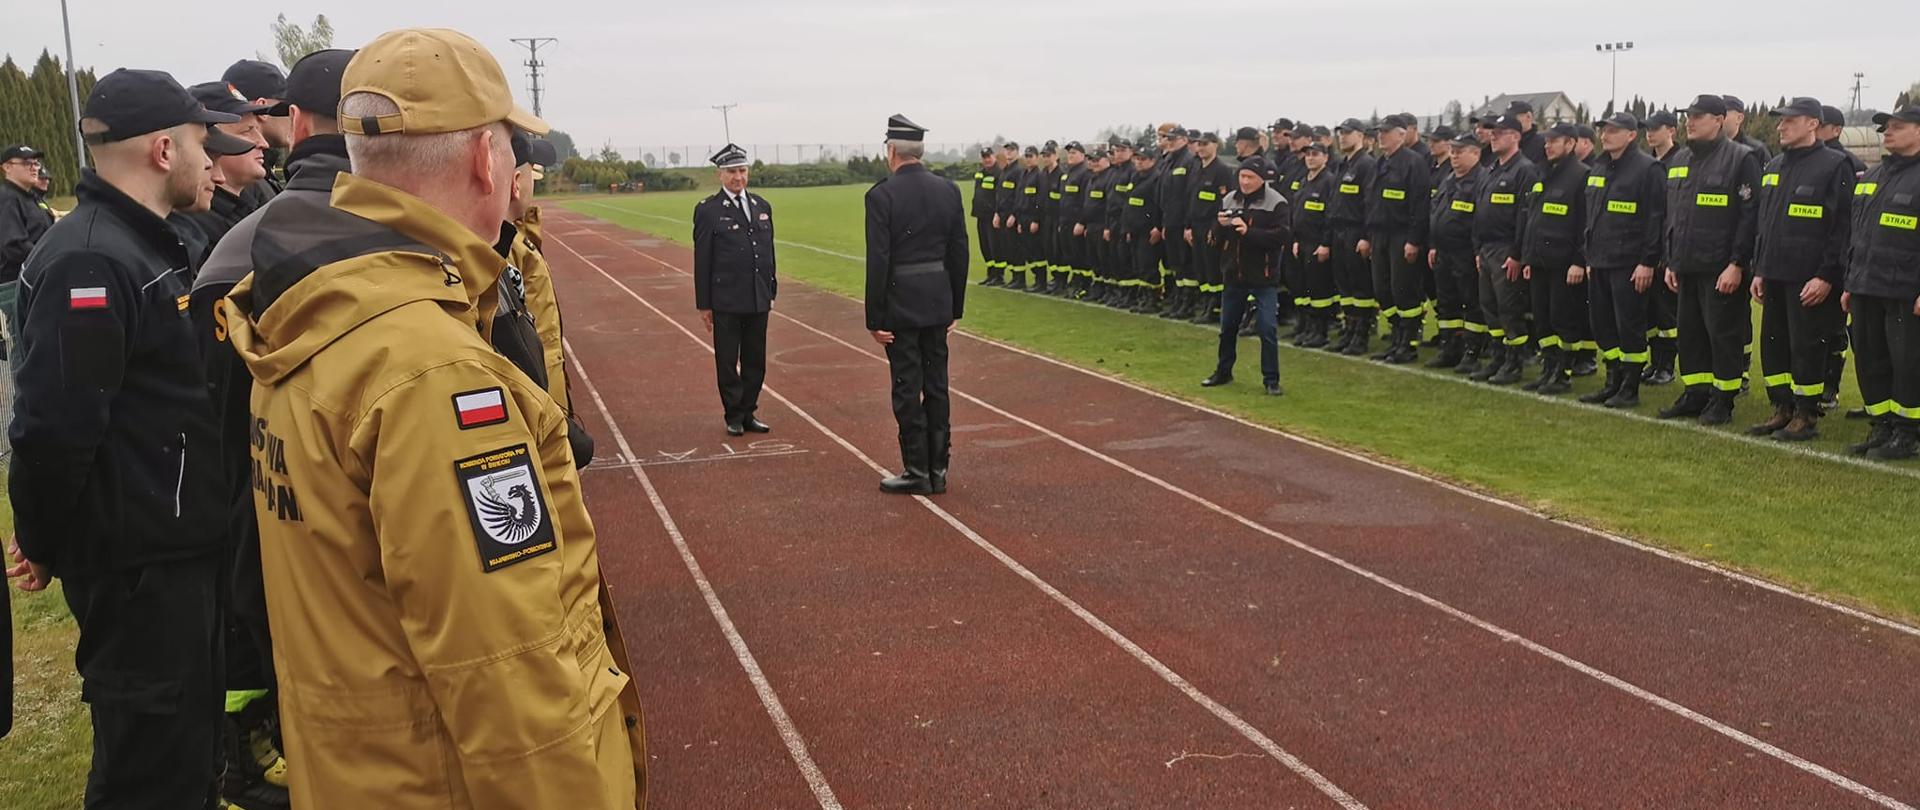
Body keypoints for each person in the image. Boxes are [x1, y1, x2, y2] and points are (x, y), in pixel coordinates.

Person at [221, 29, 645, 806]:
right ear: (485, 159)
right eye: (513, 148)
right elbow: (508, 675)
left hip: (359, 772)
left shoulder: (314, 306)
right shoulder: (434, 376)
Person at [7, 67, 237, 809]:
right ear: (165, 150)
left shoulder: (143, 244)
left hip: (173, 556)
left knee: (186, 761)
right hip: (141, 569)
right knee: (149, 774)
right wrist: (42, 541)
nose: (211, 160)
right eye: (203, 143)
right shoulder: (92, 260)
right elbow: (53, 429)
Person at [192, 48, 352, 810]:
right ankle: (248, 753)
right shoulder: (352, 234)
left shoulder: (246, 236)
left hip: (254, 494)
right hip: (283, 505)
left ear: (294, 121)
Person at [864, 114, 970, 495]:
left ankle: (916, 469)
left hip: (900, 305)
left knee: (908, 387)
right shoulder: (949, 190)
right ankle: (939, 469)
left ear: (891, 151)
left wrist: (873, 318)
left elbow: (879, 259)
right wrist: (954, 307)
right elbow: (960, 252)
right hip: (937, 302)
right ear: (919, 151)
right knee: (937, 384)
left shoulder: (881, 195)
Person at [1746, 97, 1854, 441]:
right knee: (1774, 345)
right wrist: (1760, 269)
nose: (1780, 127)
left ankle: (1806, 414)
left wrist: (1826, 276)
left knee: (1806, 346)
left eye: (1789, 121)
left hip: (1809, 278)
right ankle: (1782, 408)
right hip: (1775, 273)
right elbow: (1765, 223)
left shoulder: (1834, 165)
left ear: (1812, 124)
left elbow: (1842, 227)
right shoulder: (1774, 166)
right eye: (1780, 122)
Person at [1660, 94, 1765, 425]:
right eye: (1688, 115)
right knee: (1689, 335)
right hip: (1686, 265)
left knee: (1722, 335)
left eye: (1699, 116)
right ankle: (1696, 394)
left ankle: (1723, 400)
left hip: (1721, 268)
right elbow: (1673, 215)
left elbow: (1749, 217)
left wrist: (1737, 264)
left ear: (1720, 120)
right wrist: (1672, 261)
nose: (1690, 121)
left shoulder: (1740, 159)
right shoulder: (1679, 161)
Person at [1843, 104, 1920, 459]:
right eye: (1885, 127)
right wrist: (1849, 282)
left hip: (1905, 288)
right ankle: (1882, 426)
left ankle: (1908, 433)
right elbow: (1858, 233)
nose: (1887, 133)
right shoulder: (1873, 177)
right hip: (1865, 285)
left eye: (1898, 126)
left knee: (1907, 363)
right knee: (1871, 360)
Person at [1580, 112, 1667, 409]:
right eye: (1604, 130)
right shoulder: (1598, 167)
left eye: (1614, 131)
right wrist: (1588, 255)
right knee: (1603, 325)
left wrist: (1647, 261)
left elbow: (1656, 219)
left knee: (1629, 326)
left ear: (1632, 135)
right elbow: (1590, 215)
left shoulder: (1648, 168)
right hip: (1599, 260)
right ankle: (1612, 382)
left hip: (1629, 263)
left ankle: (1630, 386)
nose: (1605, 135)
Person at [694, 143, 777, 436]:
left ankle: (749, 412)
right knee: (728, 362)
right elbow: (702, 259)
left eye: (742, 170)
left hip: (757, 297)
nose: (738, 177)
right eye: (731, 171)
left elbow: (769, 253)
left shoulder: (761, 206)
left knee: (756, 361)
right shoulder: (708, 210)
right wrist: (704, 304)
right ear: (720, 174)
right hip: (726, 300)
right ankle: (733, 414)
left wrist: (771, 289)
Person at [1201, 156, 1290, 396]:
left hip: (1263, 276)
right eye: (1242, 176)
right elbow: (1214, 241)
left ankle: (1271, 380)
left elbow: (1281, 238)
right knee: (1227, 327)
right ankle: (1223, 371)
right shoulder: (1229, 199)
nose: (1245, 181)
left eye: (1250, 177)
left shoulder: (1277, 203)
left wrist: (1249, 232)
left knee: (1267, 328)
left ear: (1262, 179)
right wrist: (1219, 226)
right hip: (1233, 275)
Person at [1516, 122, 1590, 391]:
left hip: (1563, 264)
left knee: (1564, 319)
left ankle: (1563, 372)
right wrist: (1527, 258)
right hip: (1538, 261)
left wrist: (1579, 261)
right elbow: (1532, 219)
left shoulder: (1581, 175)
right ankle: (1549, 367)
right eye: (1546, 141)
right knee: (1542, 318)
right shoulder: (1541, 173)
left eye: (1554, 141)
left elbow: (1585, 224)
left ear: (1570, 143)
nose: (1547, 145)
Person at [1362, 114, 1432, 363]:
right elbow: (1370, 202)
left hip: (1402, 235)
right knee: (1383, 290)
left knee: (1403, 290)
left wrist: (1414, 240)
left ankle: (1408, 343)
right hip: (1379, 235)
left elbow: (1420, 205)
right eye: (1380, 131)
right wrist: (1367, 236)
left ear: (1402, 135)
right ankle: (1396, 336)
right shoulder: (1380, 163)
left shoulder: (1414, 163)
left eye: (1387, 131)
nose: (1381, 135)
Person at [1427, 132, 1486, 369]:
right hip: (1443, 251)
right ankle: (1450, 348)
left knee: (1471, 302)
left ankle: (1473, 351)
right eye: (1452, 151)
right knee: (1447, 302)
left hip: (1465, 252)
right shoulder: (1449, 179)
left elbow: (1482, 220)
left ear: (1475, 153)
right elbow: (1436, 212)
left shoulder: (1481, 180)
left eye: (1459, 151)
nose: (1454, 156)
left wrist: (1476, 251)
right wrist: (1433, 244)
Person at [1326, 118, 1379, 355]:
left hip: (1356, 231)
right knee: (1344, 285)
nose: (1343, 137)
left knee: (1360, 286)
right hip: (1339, 231)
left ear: (1360, 136)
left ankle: (1361, 333)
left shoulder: (1366, 164)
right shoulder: (1342, 165)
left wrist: (1366, 236)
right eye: (1340, 133)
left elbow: (1370, 203)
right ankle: (1350, 328)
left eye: (1348, 133)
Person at [1643, 109, 1684, 386]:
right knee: (1650, 312)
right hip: (1647, 245)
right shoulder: (1648, 163)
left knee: (1666, 312)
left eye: (1656, 128)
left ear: (1671, 130)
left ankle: (1667, 365)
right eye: (1647, 128)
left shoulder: (1679, 160)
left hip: (1667, 248)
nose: (1650, 133)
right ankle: (1655, 361)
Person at [2, 144, 55, 358]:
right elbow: (12, 245)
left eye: (35, 163)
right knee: (25, 347)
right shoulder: (7, 198)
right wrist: (50, 262)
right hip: (18, 284)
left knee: (38, 344)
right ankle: (22, 392)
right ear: (7, 167)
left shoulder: (30, 197)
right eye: (26, 163)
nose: (34, 168)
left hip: (35, 280)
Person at [222, 59, 293, 207]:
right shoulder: (246, 178)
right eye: (286, 108)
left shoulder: (244, 172)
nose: (292, 116)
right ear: (262, 108)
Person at [1290, 141, 1338, 348]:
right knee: (1305, 288)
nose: (1310, 157)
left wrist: (1325, 243)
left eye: (1315, 154)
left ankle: (1321, 331)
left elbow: (1331, 215)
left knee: (1320, 291)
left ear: (1325, 157)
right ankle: (1309, 328)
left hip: (1318, 243)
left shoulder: (1328, 181)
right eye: (1308, 154)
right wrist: (1295, 240)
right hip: (1302, 243)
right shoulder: (1304, 181)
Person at [1157, 125, 1199, 318]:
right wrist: (1164, 223)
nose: (1170, 141)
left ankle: (1188, 304)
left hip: (1182, 223)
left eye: (1174, 138)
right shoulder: (1169, 161)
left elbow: (1190, 195)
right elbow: (1164, 196)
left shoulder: (1189, 161)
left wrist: (1188, 225)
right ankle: (1178, 300)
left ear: (1184, 140)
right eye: (1168, 138)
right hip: (1170, 222)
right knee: (1175, 264)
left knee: (1186, 264)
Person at [972, 147, 1003, 286]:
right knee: (985, 246)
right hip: (981, 215)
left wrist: (997, 213)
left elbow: (1000, 196)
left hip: (992, 216)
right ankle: (990, 273)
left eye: (989, 156)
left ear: (994, 157)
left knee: (995, 245)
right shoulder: (980, 174)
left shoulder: (999, 174)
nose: (987, 159)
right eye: (984, 157)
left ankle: (998, 275)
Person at [1723, 95, 1773, 163]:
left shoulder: (1756, 150)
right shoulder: (1708, 148)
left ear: (1739, 118)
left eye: (1723, 114)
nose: (1717, 119)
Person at [1509, 99, 1549, 165]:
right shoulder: (1508, 142)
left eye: (1514, 118)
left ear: (1528, 116)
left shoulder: (1542, 144)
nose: (1510, 122)